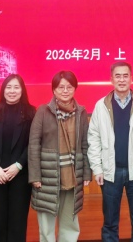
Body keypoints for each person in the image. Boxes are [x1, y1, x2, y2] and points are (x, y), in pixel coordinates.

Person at [87, 61, 133, 242]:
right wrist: (97, 168)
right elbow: (93, 139)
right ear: (111, 79)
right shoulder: (101, 106)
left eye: (125, 76)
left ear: (131, 78)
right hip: (110, 172)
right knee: (110, 223)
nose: (121, 79)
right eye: (117, 76)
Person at [28, 70, 92, 242]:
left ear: (75, 89)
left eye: (69, 87)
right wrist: (35, 175)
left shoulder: (81, 112)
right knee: (46, 226)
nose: (65, 91)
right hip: (47, 177)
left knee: (70, 224)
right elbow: (34, 144)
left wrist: (87, 173)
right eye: (60, 87)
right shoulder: (43, 111)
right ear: (54, 90)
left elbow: (85, 144)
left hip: (72, 176)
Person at [0, 74, 36, 241]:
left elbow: (33, 143)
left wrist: (18, 165)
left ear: (22, 90)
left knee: (18, 222)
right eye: (9, 87)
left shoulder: (31, 113)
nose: (12, 91)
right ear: (3, 90)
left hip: (20, 175)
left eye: (16, 87)